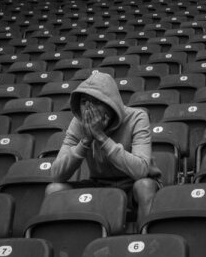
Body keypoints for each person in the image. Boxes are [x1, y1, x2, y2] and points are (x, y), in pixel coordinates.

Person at [46, 71, 161, 221]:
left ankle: (145, 241)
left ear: (111, 104)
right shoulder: (79, 123)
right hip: (99, 185)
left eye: (96, 101)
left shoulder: (137, 117)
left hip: (132, 185)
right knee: (54, 189)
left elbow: (141, 170)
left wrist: (101, 137)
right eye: (84, 102)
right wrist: (86, 141)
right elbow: (57, 175)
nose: (88, 109)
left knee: (145, 186)